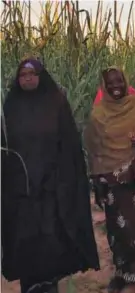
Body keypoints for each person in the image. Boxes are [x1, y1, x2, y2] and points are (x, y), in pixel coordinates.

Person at [1, 58, 100, 293]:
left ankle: (49, 285)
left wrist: (58, 179)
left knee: (51, 241)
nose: (27, 78)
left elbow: (69, 145)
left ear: (40, 76)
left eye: (32, 73)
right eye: (23, 74)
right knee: (26, 242)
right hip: (21, 192)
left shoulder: (56, 103)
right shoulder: (10, 105)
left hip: (52, 189)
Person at [84, 67, 135, 293]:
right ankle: (122, 272)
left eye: (119, 82)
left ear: (126, 82)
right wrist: (96, 182)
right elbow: (95, 150)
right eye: (110, 83)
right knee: (118, 229)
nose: (116, 87)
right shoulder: (98, 115)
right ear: (104, 87)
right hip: (112, 181)